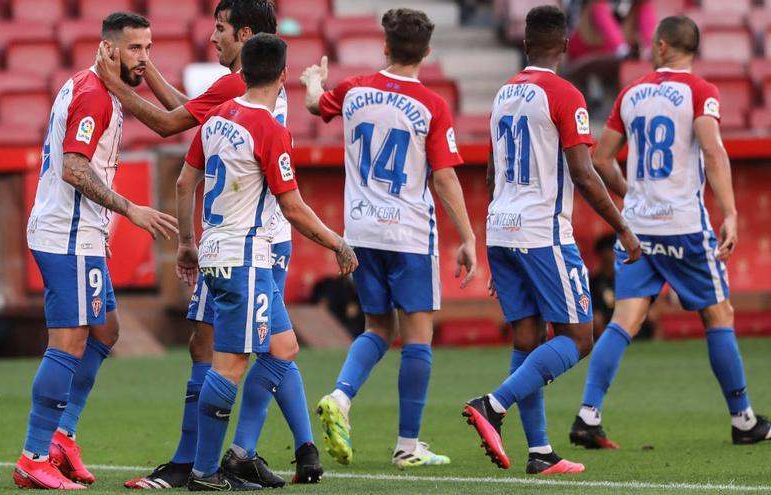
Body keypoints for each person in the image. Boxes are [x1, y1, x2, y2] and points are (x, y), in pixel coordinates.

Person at [95, 1, 324, 489]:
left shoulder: (235, 85)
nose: (212, 38)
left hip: (249, 243)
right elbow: (185, 111)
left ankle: (213, 459)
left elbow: (170, 123)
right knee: (253, 343)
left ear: (243, 33)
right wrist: (146, 66)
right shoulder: (251, 87)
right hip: (251, 239)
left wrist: (118, 82)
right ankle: (291, 449)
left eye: (219, 29)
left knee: (247, 349)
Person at [570, 15, 771, 450]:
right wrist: (732, 212)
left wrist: (632, 193)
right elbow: (714, 151)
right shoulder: (700, 92)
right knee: (718, 316)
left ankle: (588, 415)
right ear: (691, 51)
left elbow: (602, 160)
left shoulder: (630, 93)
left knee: (624, 319)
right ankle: (742, 420)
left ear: (660, 46)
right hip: (683, 225)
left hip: (638, 228)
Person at [461, 5, 641, 475]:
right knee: (580, 336)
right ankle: (493, 405)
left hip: (502, 226)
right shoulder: (565, 94)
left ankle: (539, 451)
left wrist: (492, 239)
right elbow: (582, 172)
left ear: (525, 45)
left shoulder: (503, 93)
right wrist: (622, 226)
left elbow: (490, 170)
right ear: (565, 45)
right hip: (543, 232)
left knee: (527, 338)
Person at [175, 32, 357, 491]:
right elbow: (292, 207)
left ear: (243, 73)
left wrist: (187, 241)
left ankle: (236, 456)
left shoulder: (215, 119)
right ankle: (203, 472)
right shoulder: (271, 130)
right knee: (232, 363)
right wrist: (337, 242)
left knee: (283, 348)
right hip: (246, 258)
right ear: (281, 76)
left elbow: (184, 183)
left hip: (215, 249)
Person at [302, 8, 478, 469]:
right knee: (418, 337)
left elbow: (315, 106)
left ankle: (341, 396)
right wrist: (467, 236)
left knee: (377, 327)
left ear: (385, 46)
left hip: (359, 231)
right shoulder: (432, 106)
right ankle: (407, 446)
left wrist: (312, 80)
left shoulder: (354, 89)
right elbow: (444, 178)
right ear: (427, 52)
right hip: (408, 232)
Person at [14, 12, 179, 490]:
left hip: (82, 234)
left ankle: (63, 436)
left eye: (148, 48)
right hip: (67, 236)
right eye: (135, 49)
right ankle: (33, 455)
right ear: (108, 49)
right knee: (68, 341)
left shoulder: (94, 86)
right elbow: (73, 168)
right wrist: (132, 209)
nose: (144, 59)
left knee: (105, 331)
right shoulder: (93, 94)